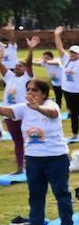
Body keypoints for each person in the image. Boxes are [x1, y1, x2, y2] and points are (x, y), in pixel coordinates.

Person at [1, 76, 71, 225]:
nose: (30, 92)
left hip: (56, 157)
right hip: (33, 159)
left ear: (44, 94)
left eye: (35, 90)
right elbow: (7, 111)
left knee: (61, 192)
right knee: (36, 194)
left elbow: (52, 114)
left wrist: (37, 108)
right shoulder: (23, 108)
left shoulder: (51, 105)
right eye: (28, 90)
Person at [2, 38, 37, 173]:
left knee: (29, 140)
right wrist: (1, 49)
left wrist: (31, 48)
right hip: (9, 113)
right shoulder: (9, 77)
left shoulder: (27, 78)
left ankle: (32, 164)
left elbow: (29, 63)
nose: (17, 66)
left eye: (20, 65)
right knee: (17, 141)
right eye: (16, 65)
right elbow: (0, 64)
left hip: (23, 113)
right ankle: (19, 167)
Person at [54, 26, 79, 138]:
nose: (72, 54)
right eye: (71, 52)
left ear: (78, 54)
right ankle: (75, 134)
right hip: (68, 92)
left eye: (74, 53)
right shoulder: (66, 60)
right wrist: (57, 35)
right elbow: (59, 48)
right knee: (73, 114)